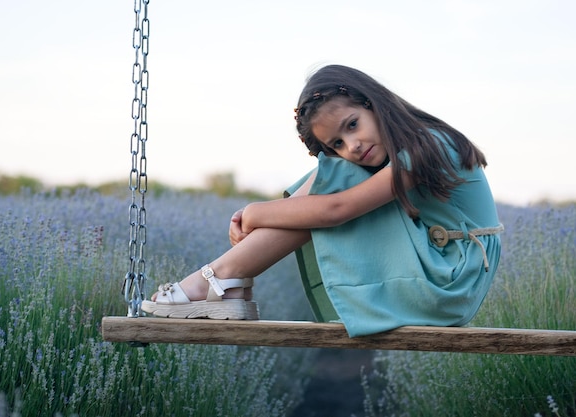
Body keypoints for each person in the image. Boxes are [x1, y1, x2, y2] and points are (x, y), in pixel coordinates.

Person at [141, 64, 502, 337]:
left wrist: (255, 212)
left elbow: (336, 210)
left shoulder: (428, 145)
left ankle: (221, 278)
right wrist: (262, 214)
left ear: (374, 104)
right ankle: (226, 278)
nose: (354, 146)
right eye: (338, 143)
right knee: (338, 170)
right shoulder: (405, 150)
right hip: (442, 273)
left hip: (453, 280)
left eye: (352, 125)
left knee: (339, 177)